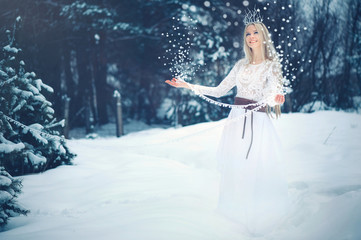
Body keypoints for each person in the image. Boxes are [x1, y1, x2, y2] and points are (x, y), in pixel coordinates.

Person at [165, 19, 289, 236]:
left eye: (256, 33)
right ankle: (233, 221)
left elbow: (273, 96)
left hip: (257, 124)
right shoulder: (240, 65)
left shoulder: (271, 65)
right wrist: (188, 85)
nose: (251, 37)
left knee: (255, 171)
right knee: (236, 169)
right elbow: (220, 90)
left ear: (263, 37)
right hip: (236, 121)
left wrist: (277, 100)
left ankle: (258, 221)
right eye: (248, 33)